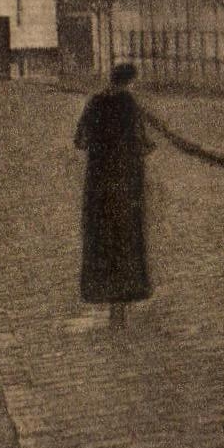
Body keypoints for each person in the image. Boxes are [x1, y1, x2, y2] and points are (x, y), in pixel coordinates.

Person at [73, 62, 154, 327]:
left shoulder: (95, 102)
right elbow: (143, 142)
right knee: (126, 238)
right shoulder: (129, 104)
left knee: (102, 237)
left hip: (99, 183)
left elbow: (80, 140)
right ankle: (121, 304)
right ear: (129, 82)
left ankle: (108, 300)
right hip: (125, 182)